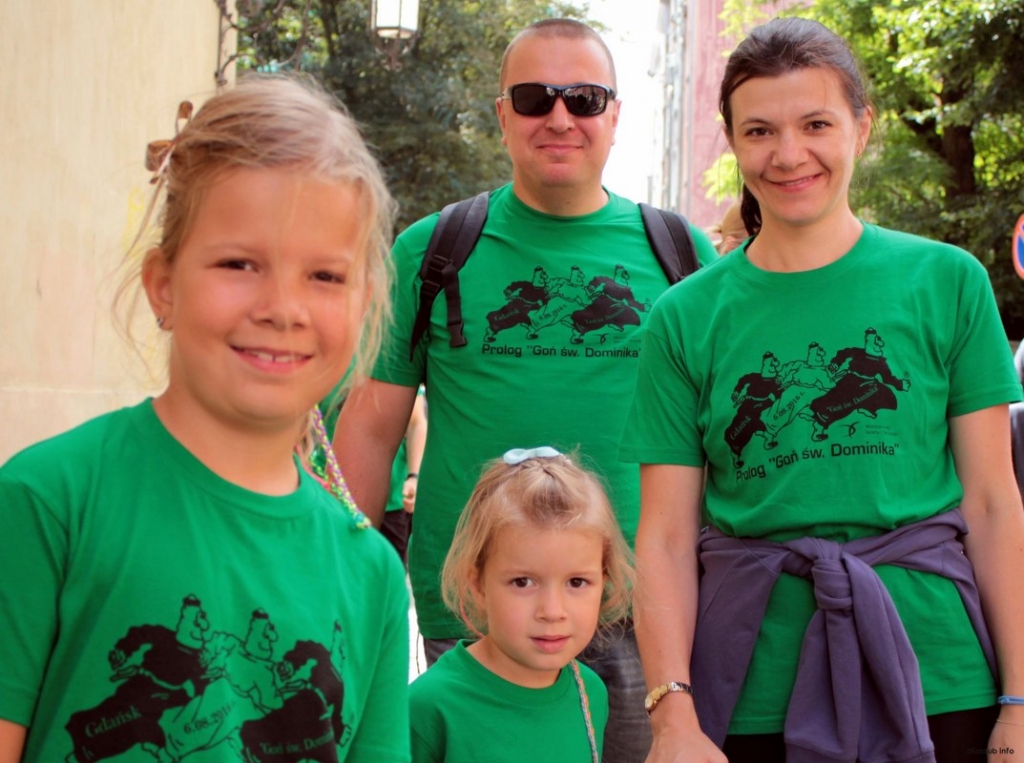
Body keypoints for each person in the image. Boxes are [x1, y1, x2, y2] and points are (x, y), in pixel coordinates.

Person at [621, 16, 1024, 763]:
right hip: (749, 685)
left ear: (862, 128)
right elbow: (668, 535)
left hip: (940, 676)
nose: (788, 154)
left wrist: (1021, 701)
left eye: (816, 124)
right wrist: (673, 715)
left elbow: (994, 504)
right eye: (760, 131)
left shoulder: (948, 282)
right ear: (733, 142)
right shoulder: (683, 317)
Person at [333, 18, 717, 762]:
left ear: (614, 115)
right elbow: (372, 430)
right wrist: (337, 584)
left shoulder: (680, 254)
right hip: (476, 610)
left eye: (584, 98)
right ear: (503, 114)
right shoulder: (434, 251)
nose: (560, 118)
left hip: (644, 617)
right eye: (536, 98)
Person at [0, 75, 411, 763]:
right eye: (240, 263)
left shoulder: (370, 573)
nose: (283, 308)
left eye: (324, 276)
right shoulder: (47, 501)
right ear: (164, 285)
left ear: (365, 303)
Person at [408, 447, 634, 763]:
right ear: (478, 584)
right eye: (522, 582)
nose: (552, 611)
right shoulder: (428, 707)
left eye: (576, 582)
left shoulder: (589, 692)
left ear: (604, 581)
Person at [383, 388, 427, 564]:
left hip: (394, 498)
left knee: (390, 567)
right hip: (331, 492)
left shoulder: (394, 368)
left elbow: (416, 422)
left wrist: (414, 477)